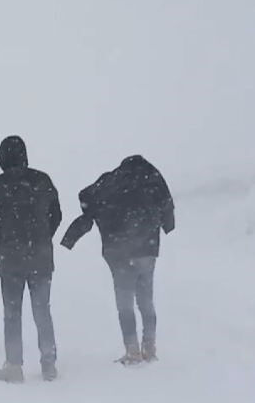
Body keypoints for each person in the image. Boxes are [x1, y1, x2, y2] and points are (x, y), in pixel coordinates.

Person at [61, 155, 175, 365]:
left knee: (125, 304)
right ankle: (149, 348)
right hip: (147, 250)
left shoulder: (112, 181)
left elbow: (86, 197)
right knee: (146, 302)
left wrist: (72, 236)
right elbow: (167, 205)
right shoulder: (152, 178)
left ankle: (132, 351)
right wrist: (167, 224)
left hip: (120, 253)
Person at [0, 136, 62, 383]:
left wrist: (3, 246)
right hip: (41, 258)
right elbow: (56, 215)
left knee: (12, 313)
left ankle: (14, 366)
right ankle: (49, 364)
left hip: (11, 261)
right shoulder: (42, 180)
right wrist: (41, 239)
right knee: (42, 311)